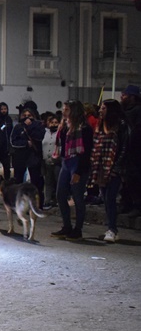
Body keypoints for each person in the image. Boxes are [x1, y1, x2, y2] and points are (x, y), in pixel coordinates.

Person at [51, 100, 94, 241]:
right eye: (64, 109)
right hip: (66, 161)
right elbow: (62, 146)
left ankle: (78, 229)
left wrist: (79, 172)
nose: (64, 112)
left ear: (74, 111)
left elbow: (86, 152)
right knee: (60, 194)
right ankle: (67, 226)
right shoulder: (64, 126)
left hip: (78, 162)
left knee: (77, 196)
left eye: (67, 109)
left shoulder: (84, 128)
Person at [88, 99, 129, 243]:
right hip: (101, 167)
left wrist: (116, 168)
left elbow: (124, 149)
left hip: (114, 168)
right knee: (105, 198)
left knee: (110, 198)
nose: (100, 111)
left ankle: (112, 229)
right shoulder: (100, 125)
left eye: (103, 108)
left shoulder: (121, 126)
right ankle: (110, 228)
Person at [10, 103, 45, 204]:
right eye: (24, 115)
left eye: (29, 115)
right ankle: (18, 202)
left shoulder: (38, 126)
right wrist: (25, 143)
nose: (27, 117)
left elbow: (39, 137)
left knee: (36, 181)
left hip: (34, 157)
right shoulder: (18, 127)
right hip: (20, 157)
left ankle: (37, 203)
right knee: (18, 181)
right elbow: (13, 141)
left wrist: (29, 127)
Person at [119, 85, 141, 217]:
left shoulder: (137, 111)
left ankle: (137, 205)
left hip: (135, 151)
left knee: (134, 178)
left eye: (125, 95)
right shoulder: (124, 111)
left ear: (132, 97)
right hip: (126, 150)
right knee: (125, 179)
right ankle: (126, 203)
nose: (122, 97)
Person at [41, 113, 60, 210]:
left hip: (57, 162)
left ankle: (59, 200)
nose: (54, 124)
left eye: (56, 122)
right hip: (46, 161)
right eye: (52, 122)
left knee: (58, 181)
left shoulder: (60, 133)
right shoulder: (45, 132)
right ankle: (47, 201)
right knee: (48, 182)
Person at [0, 102, 14, 181]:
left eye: (5, 109)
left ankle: (7, 181)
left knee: (7, 167)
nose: (3, 111)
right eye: (2, 109)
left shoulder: (9, 119)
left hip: (7, 148)